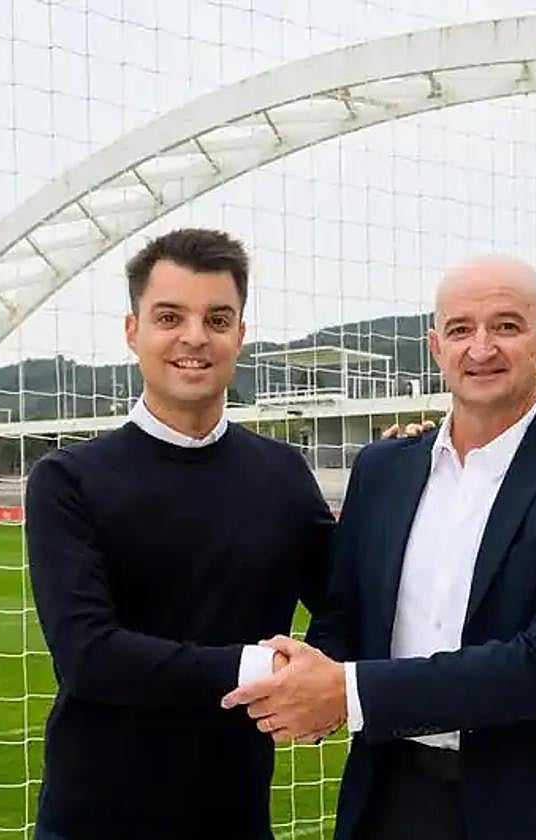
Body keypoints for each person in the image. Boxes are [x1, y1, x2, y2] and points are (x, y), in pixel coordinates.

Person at [223, 255, 536, 840]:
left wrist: (346, 692)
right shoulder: (383, 468)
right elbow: (346, 613)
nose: (481, 348)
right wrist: (303, 673)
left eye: (506, 326)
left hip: (535, 807)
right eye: (460, 329)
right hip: (392, 796)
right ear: (435, 347)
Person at [24, 228, 335, 839]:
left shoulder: (281, 474)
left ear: (240, 335)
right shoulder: (67, 480)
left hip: (235, 818)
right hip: (94, 821)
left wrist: (318, 675)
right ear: (132, 331)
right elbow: (90, 658)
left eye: (217, 318)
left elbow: (350, 598)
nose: (195, 336)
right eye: (170, 316)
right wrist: (265, 669)